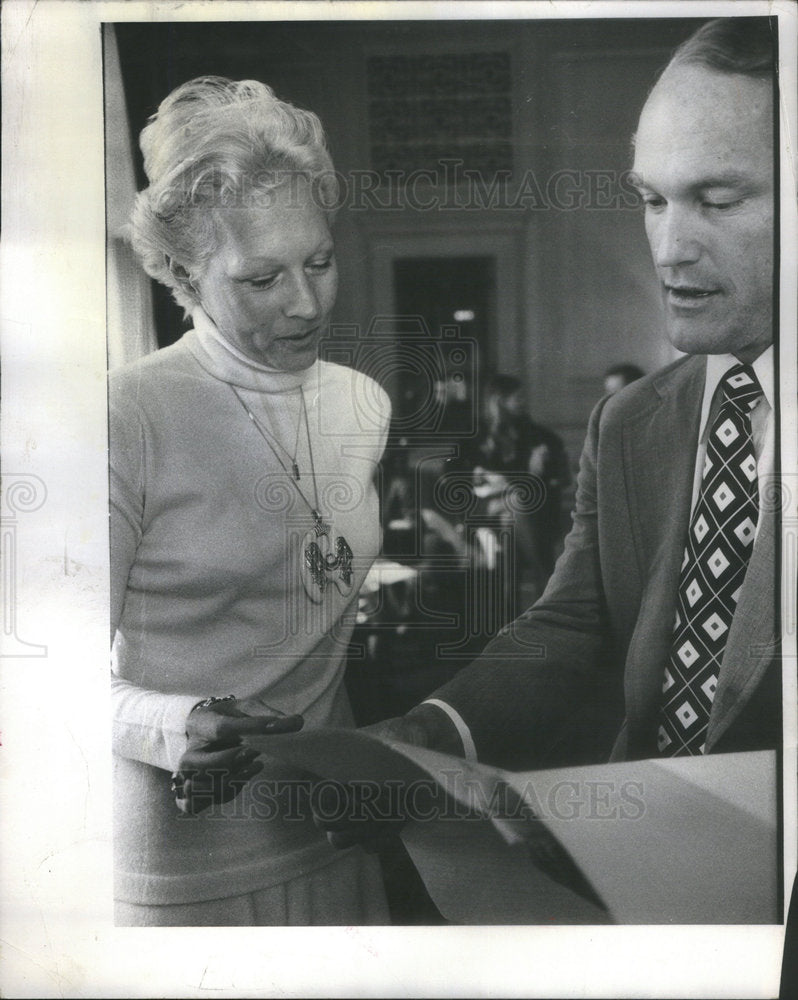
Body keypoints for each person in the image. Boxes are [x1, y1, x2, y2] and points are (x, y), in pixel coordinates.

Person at [331, 17, 779, 782]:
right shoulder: (628, 420)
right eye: (654, 200)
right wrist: (428, 737)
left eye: (718, 200)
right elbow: (573, 623)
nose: (670, 248)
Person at [110, 77, 391, 925]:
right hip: (185, 870)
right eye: (263, 278)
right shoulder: (126, 415)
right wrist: (171, 724)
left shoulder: (360, 403)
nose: (306, 304)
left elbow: (315, 617)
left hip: (331, 835)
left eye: (319, 262)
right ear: (185, 278)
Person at [471, 374, 570, 609]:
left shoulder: (538, 436)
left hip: (530, 512)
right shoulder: (478, 436)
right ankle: (546, 587)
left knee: (510, 517)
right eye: (518, 397)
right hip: (484, 511)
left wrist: (531, 475)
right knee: (512, 506)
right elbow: (463, 479)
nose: (523, 402)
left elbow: (559, 480)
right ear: (500, 400)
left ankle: (508, 610)